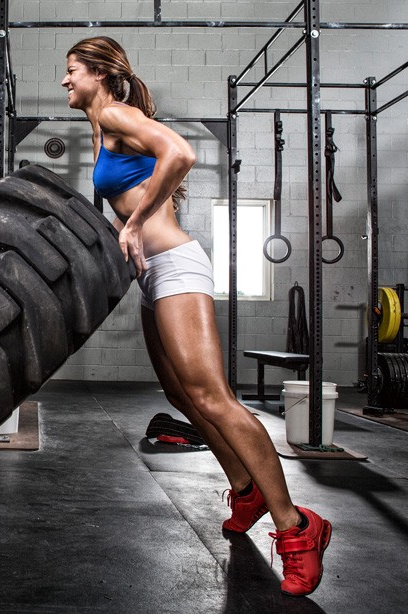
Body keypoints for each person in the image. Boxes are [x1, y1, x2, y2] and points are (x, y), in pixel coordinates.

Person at [61, 36, 333, 597]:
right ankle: (245, 487)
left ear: (100, 74)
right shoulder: (101, 124)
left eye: (71, 71)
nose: (65, 81)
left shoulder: (116, 112)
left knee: (213, 398)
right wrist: (124, 228)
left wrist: (133, 224)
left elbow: (180, 154)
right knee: (182, 397)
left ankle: (298, 526)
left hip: (177, 268)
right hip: (153, 276)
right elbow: (138, 186)